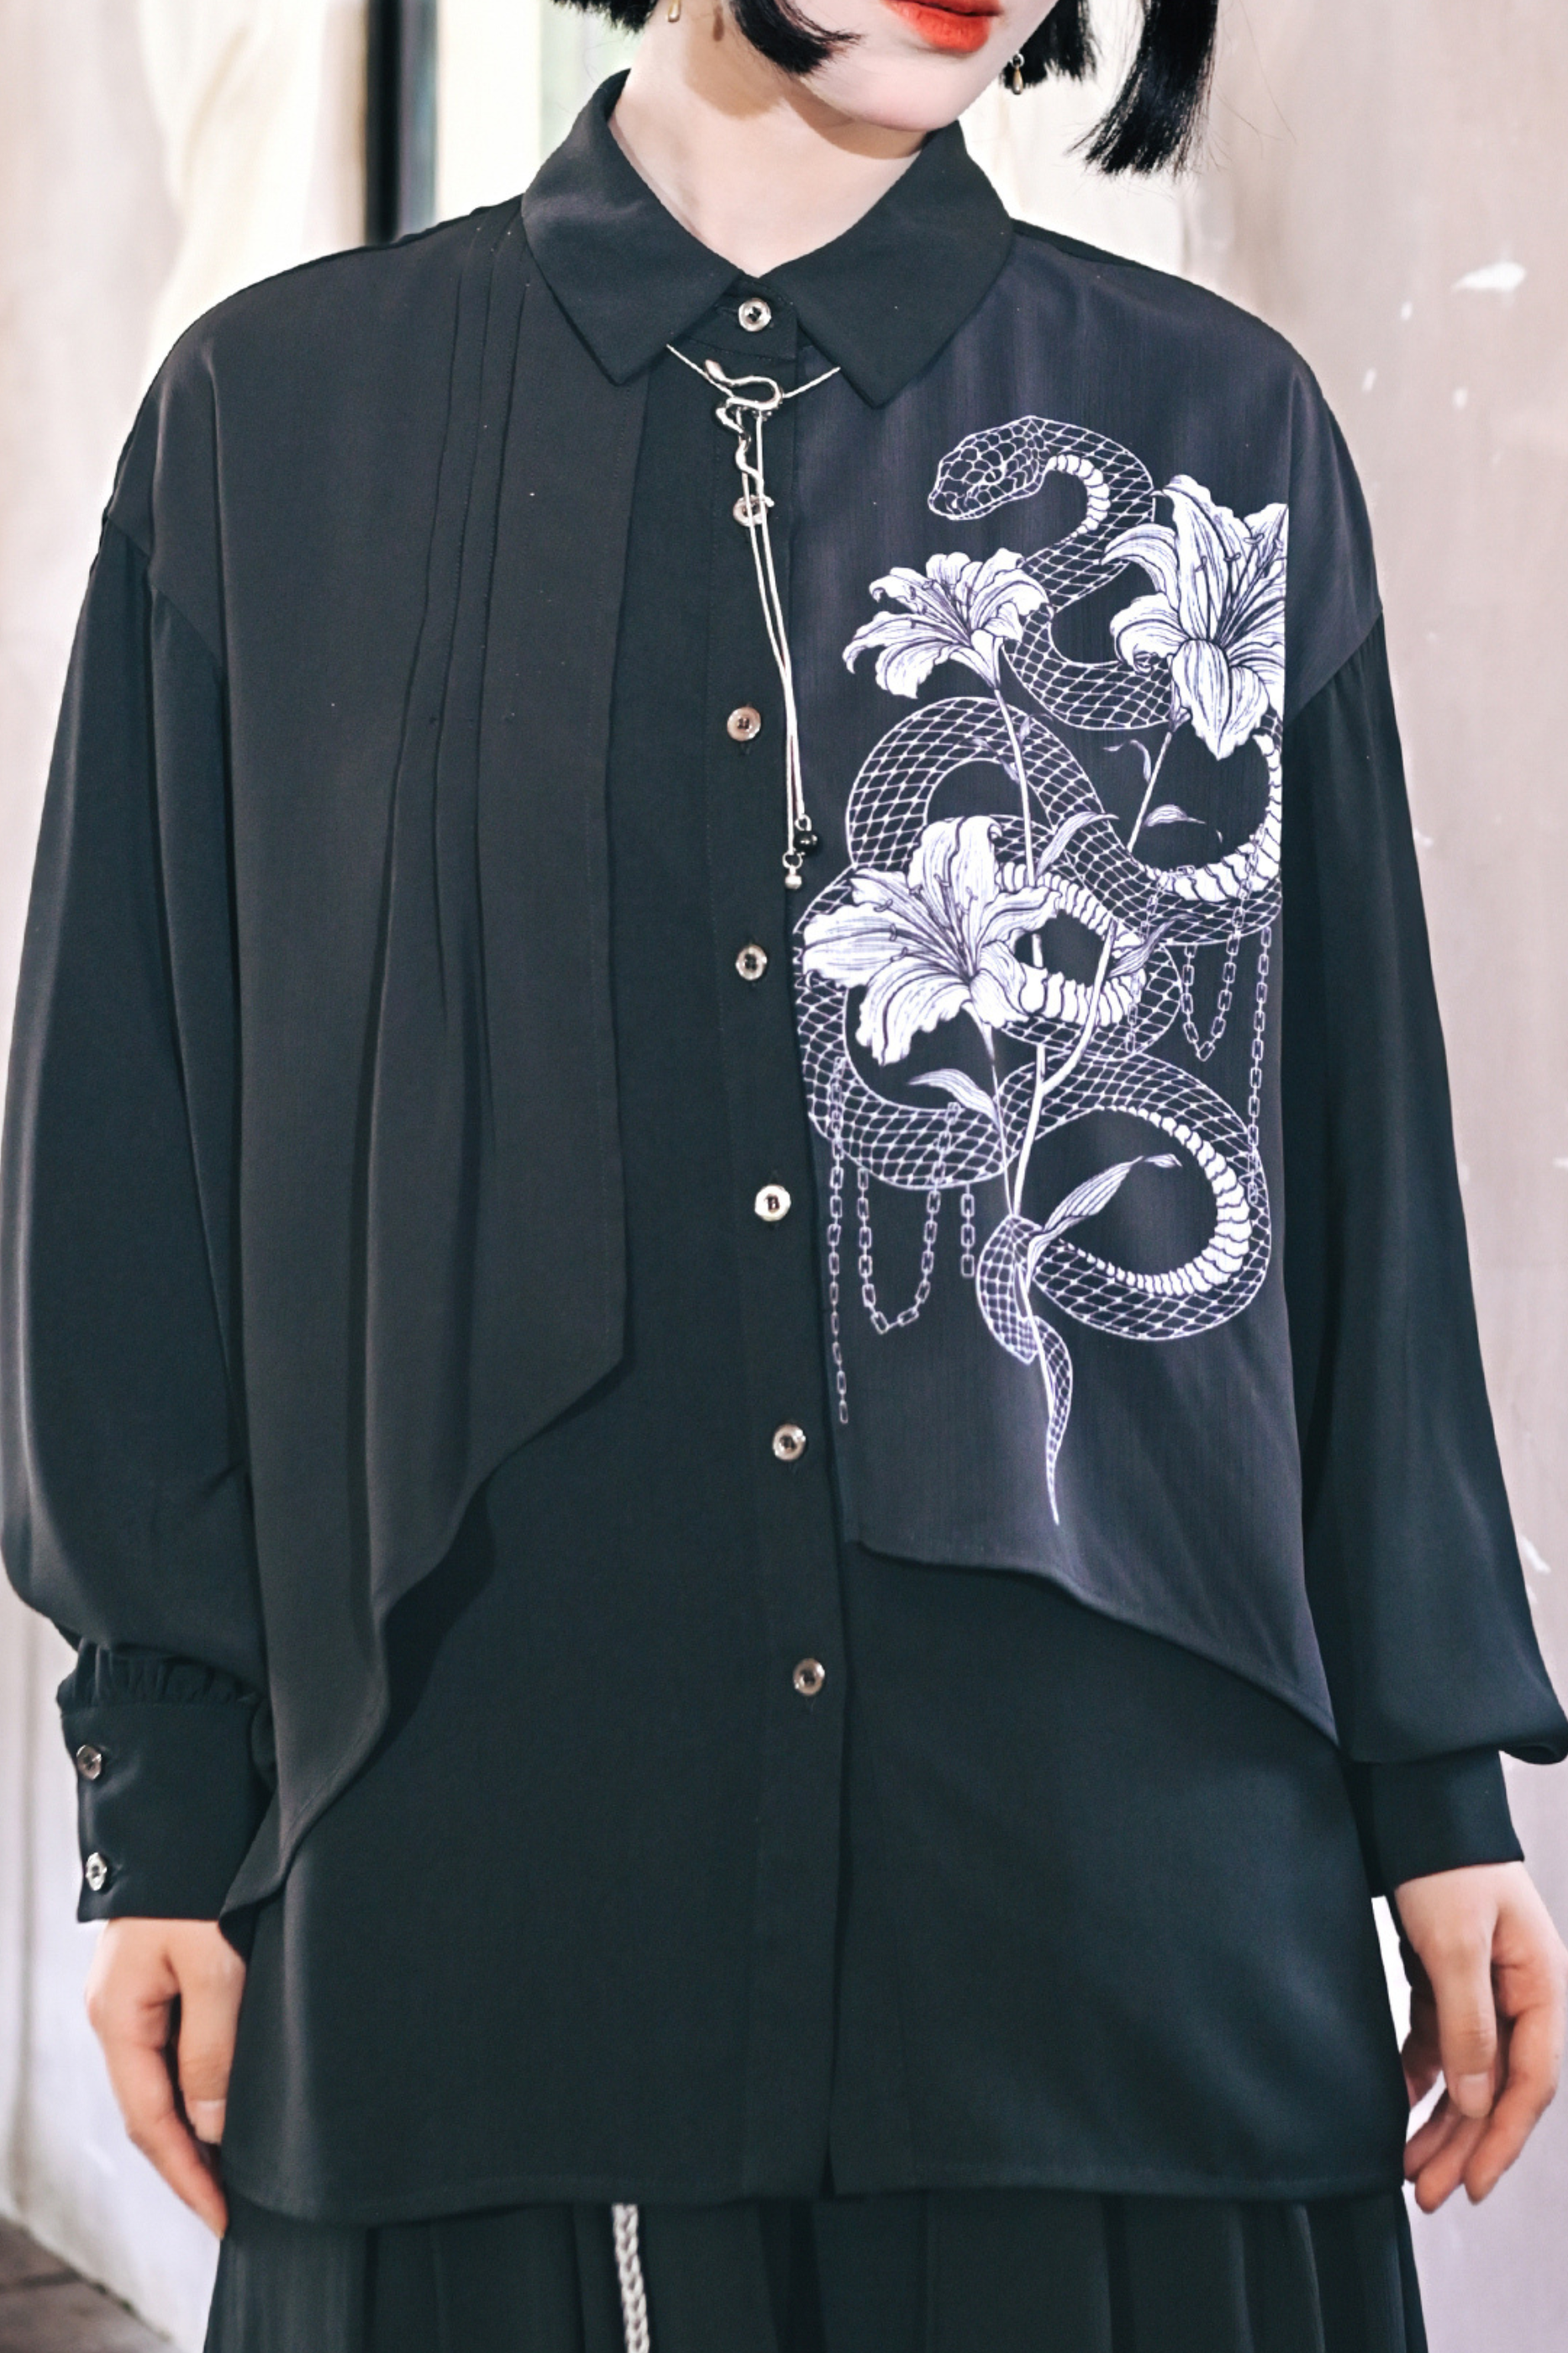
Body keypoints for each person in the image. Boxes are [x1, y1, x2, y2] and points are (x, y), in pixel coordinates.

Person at [3, 0, 1565, 2345]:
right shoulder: (275, 425)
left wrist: (1435, 1782)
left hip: (1117, 1957)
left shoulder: (1210, 433)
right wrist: (160, 1794)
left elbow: (1352, 1163)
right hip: (485, 1929)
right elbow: (128, 1174)